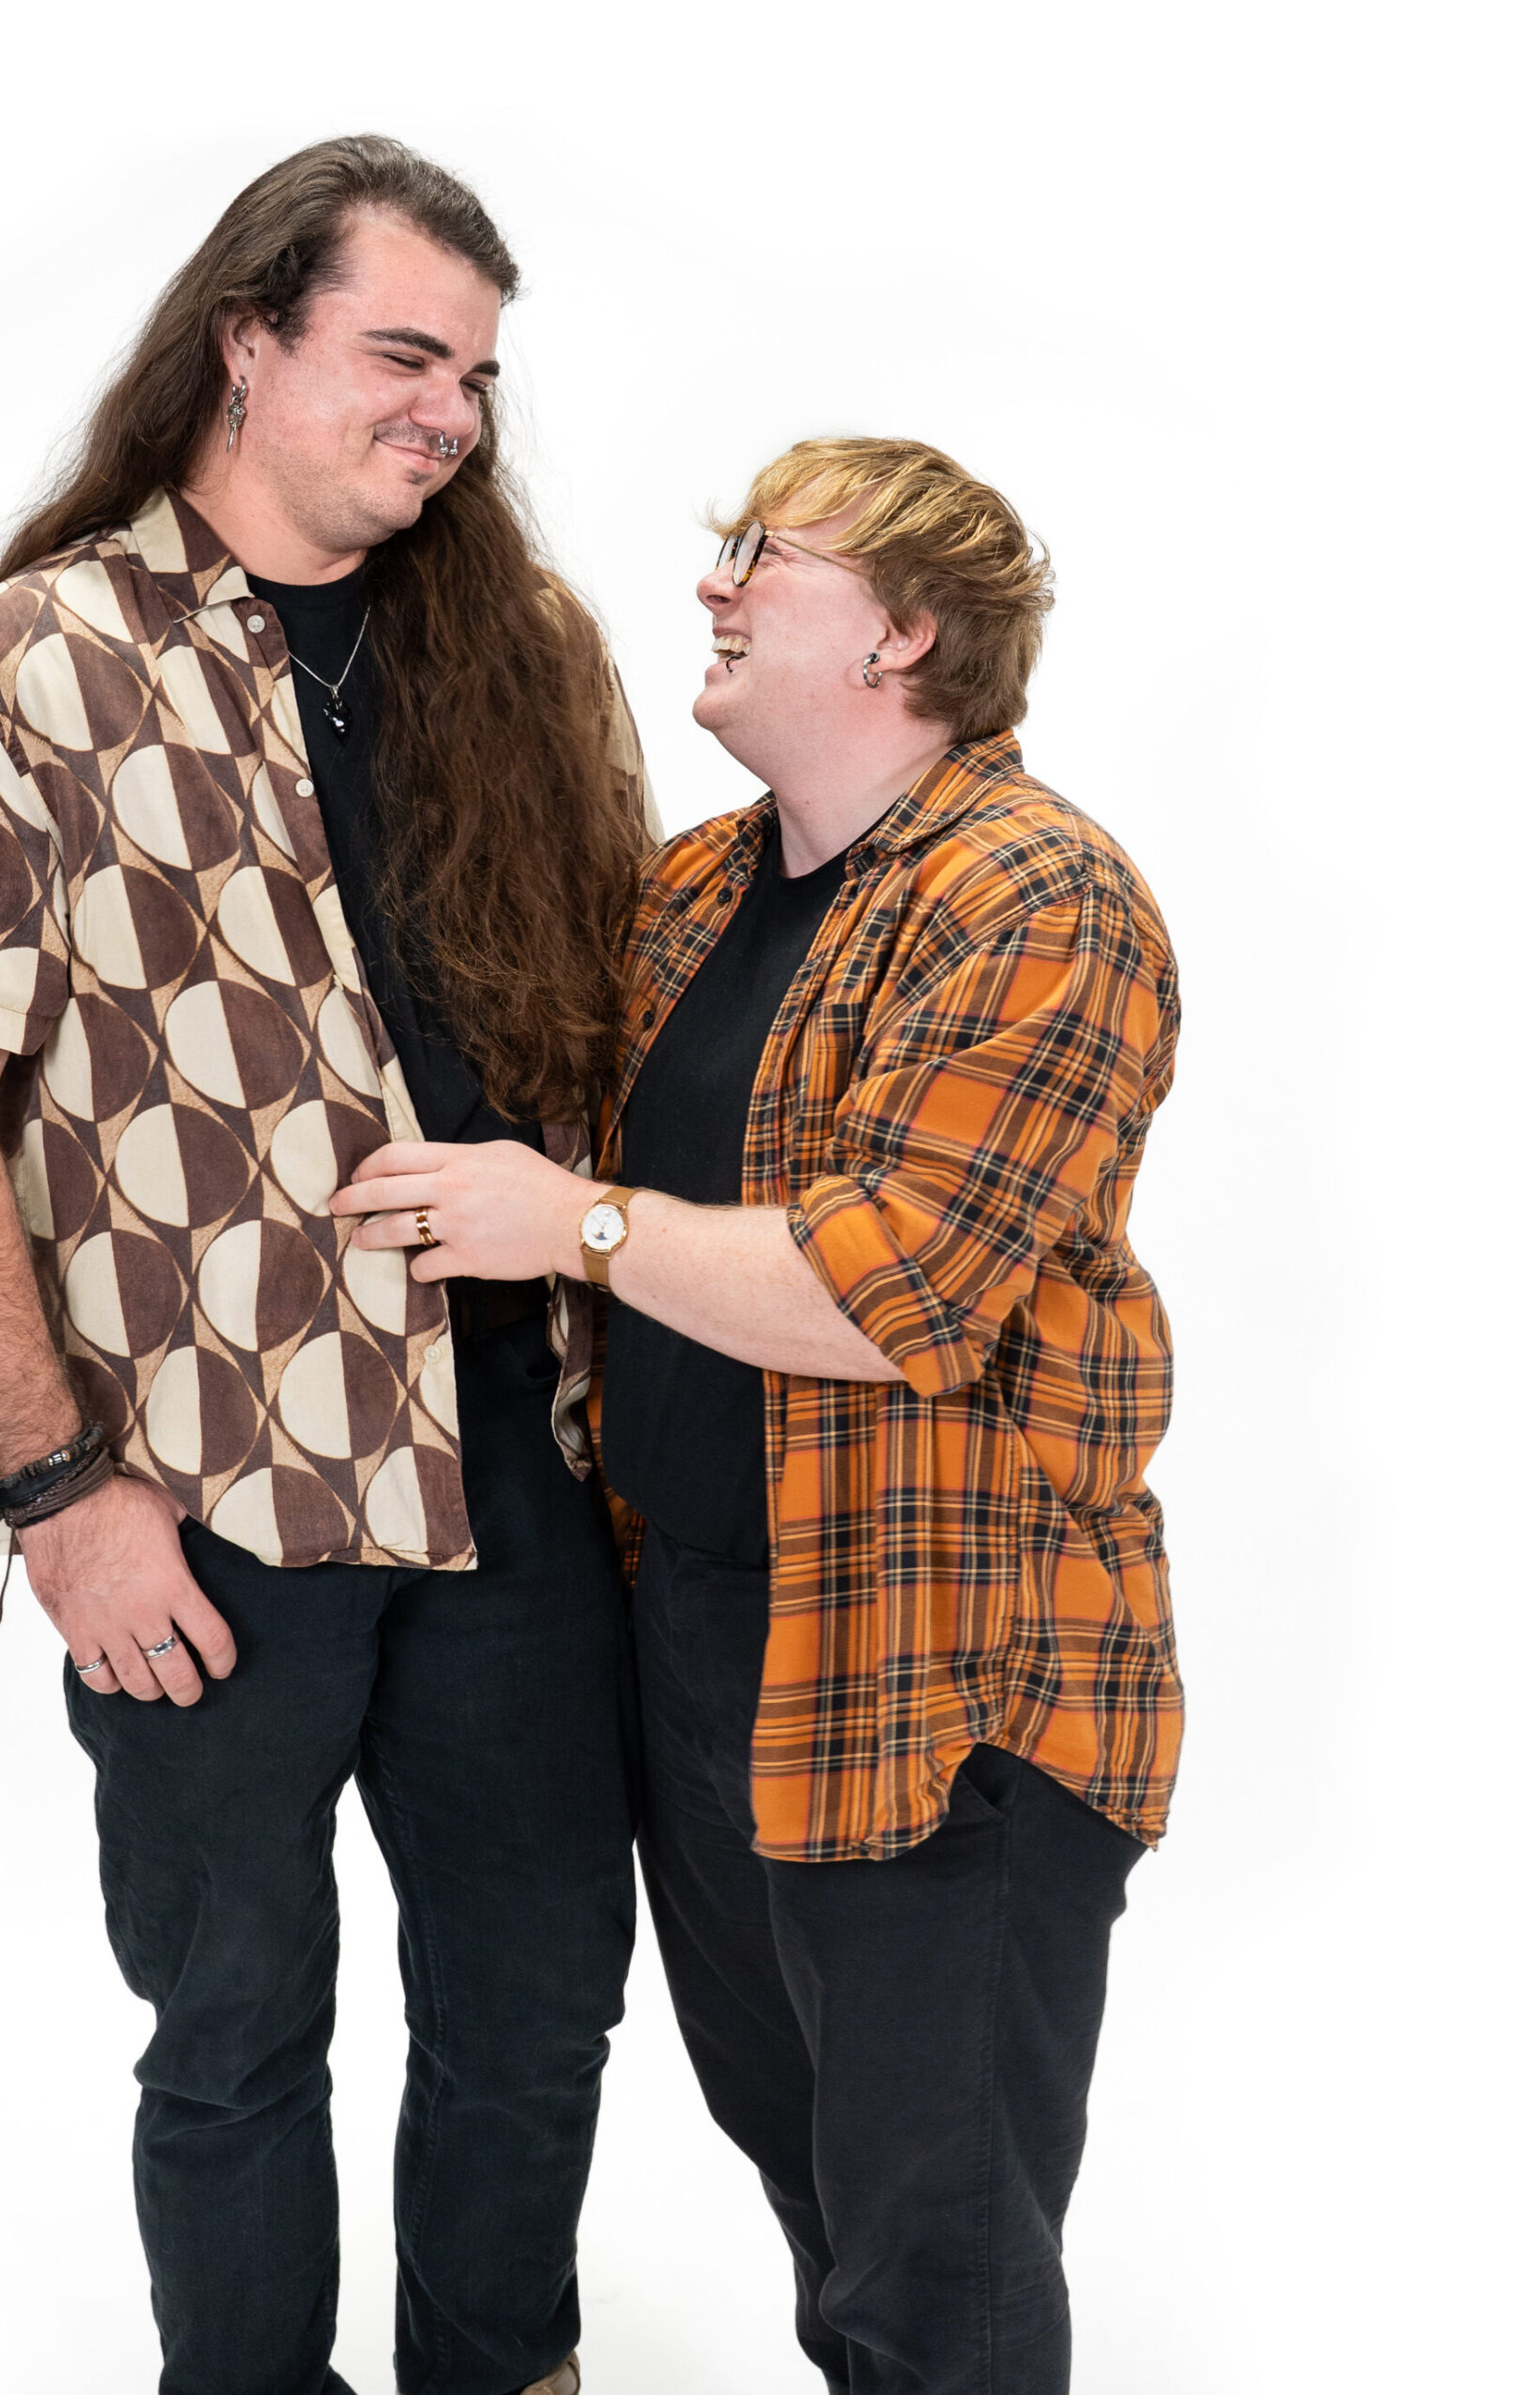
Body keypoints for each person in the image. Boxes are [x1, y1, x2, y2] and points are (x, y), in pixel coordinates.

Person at [0, 136, 650, 2395]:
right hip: (201, 1497)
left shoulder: (524, 647)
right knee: (233, 2034)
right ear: (246, 342)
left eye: (476, 376)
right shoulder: (34, 661)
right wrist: (54, 1491)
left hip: (516, 1462)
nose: (452, 417)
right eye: (403, 355)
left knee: (532, 2005)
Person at [331, 437, 1181, 2394]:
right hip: (706, 1634)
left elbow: (897, 1296)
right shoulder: (700, 890)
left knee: (932, 2261)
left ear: (903, 630)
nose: (711, 587)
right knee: (822, 2195)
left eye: (762, 559)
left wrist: (576, 1218)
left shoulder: (1035, 894)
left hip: (942, 1666)